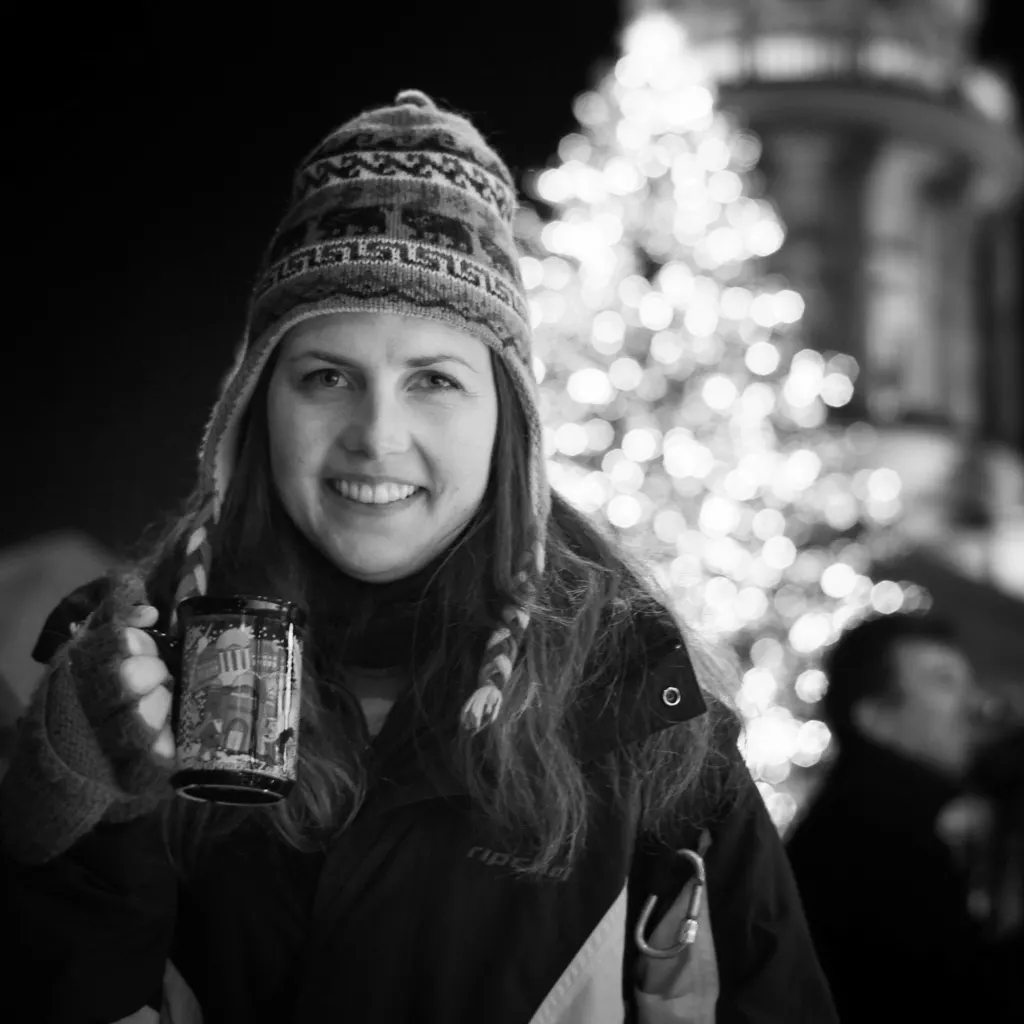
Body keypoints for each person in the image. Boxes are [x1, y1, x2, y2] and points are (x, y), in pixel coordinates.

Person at [0, 90, 836, 1024]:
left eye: (434, 380)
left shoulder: (642, 714)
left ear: (506, 425)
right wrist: (67, 834)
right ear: (253, 409)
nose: (376, 435)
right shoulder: (118, 670)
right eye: (327, 377)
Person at [785, 611, 1022, 1022]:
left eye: (968, 683)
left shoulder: (888, 818)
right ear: (875, 716)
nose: (974, 704)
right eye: (943, 681)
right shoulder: (873, 836)